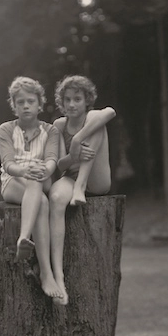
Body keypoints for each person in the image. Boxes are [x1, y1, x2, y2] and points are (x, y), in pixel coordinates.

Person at [48, 75, 115, 305]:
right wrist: (73, 154)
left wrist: (78, 139)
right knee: (56, 197)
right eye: (67, 99)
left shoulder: (92, 115)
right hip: (70, 177)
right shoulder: (58, 125)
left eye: (77, 99)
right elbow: (59, 165)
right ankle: (58, 278)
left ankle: (81, 187)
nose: (72, 104)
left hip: (96, 181)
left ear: (87, 99)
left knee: (97, 120)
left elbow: (111, 112)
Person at [0, 76, 64, 301]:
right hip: (13, 182)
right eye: (21, 102)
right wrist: (25, 171)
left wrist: (43, 170)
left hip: (41, 177)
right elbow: (8, 164)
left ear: (39, 104)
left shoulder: (50, 131)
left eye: (31, 101)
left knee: (37, 173)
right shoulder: (5, 129)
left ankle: (23, 237)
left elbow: (53, 159)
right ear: (14, 106)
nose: (26, 106)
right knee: (42, 203)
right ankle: (47, 274)